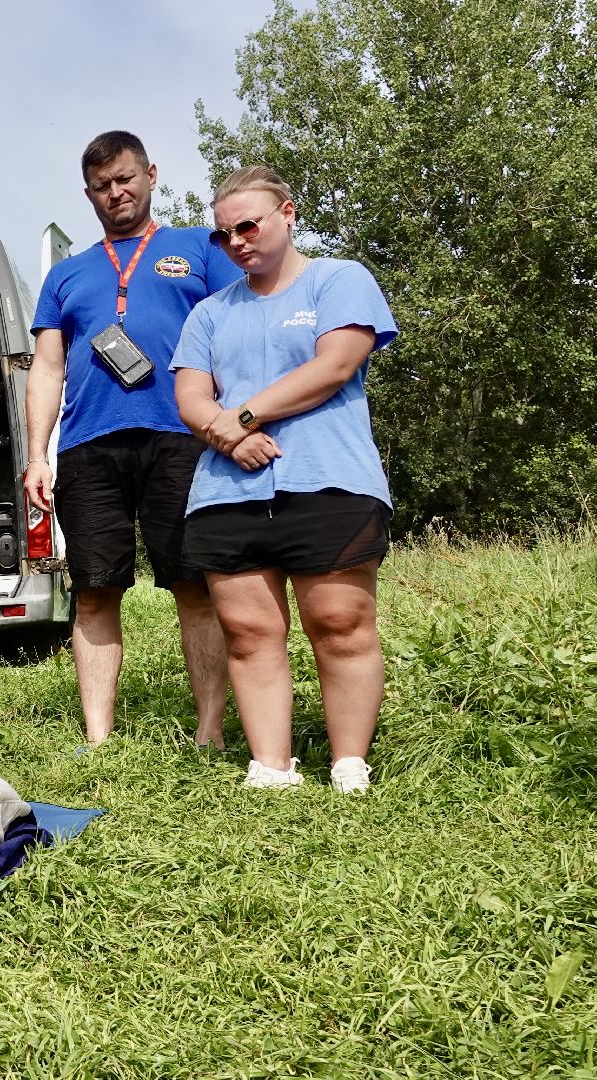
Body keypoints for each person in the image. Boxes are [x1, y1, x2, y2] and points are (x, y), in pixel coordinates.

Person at [171, 165, 399, 793]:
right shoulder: (210, 312)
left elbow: (336, 365)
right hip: (227, 493)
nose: (236, 241)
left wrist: (239, 417)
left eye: (247, 225)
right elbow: (190, 395)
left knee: (340, 623)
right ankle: (270, 765)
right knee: (249, 633)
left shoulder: (339, 279)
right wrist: (226, 437)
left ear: (288, 214)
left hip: (329, 479)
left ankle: (349, 762)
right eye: (223, 235)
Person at [24, 131, 242, 749]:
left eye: (125, 179)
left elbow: (238, 323)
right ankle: (99, 738)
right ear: (88, 193)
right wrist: (36, 456)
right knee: (94, 591)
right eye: (101, 186)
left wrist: (241, 420)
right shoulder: (67, 274)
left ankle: (210, 733)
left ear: (150, 174)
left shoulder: (199, 247)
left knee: (195, 584)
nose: (115, 193)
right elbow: (45, 368)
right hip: (90, 446)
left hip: (183, 436)